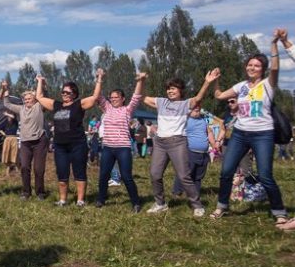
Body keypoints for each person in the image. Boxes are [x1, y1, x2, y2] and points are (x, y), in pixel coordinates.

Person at [211, 28, 292, 230]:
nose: (252, 68)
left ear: (262, 69)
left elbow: (275, 67)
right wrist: (216, 80)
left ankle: (279, 212)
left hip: (263, 134)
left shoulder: (268, 84)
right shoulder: (241, 86)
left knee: (265, 175)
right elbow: (219, 95)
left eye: (256, 65)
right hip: (239, 133)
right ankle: (222, 206)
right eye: (250, 65)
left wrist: (274, 44)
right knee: (226, 171)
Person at [141, 70, 218, 216]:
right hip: (160, 143)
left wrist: (207, 82)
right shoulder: (161, 102)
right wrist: (142, 81)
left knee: (183, 176)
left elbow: (198, 98)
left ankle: (197, 205)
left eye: (173, 88)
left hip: (178, 142)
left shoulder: (185, 104)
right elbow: (142, 98)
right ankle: (160, 203)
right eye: (168, 88)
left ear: (180, 91)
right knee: (155, 174)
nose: (170, 91)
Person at [36, 69, 103, 206]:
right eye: (63, 92)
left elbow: (95, 97)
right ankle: (62, 200)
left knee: (79, 172)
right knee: (62, 174)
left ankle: (80, 200)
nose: (64, 94)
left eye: (68, 92)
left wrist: (99, 78)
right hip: (60, 146)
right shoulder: (57, 105)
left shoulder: (79, 104)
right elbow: (39, 97)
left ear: (74, 94)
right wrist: (40, 82)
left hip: (77, 144)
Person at [94, 73, 146, 211]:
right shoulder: (107, 108)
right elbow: (98, 96)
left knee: (126, 176)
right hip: (108, 148)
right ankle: (101, 199)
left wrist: (140, 81)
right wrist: (99, 78)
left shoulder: (128, 110)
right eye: (111, 97)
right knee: (104, 175)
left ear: (123, 99)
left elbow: (136, 97)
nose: (113, 99)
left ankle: (135, 202)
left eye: (116, 97)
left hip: (123, 148)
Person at [0, 81, 48, 200]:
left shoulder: (39, 106)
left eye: (29, 98)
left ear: (35, 99)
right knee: (25, 167)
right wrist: (5, 89)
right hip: (25, 143)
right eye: (25, 99)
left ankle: (40, 192)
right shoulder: (21, 109)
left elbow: (42, 96)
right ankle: (26, 192)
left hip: (39, 141)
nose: (27, 101)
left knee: (38, 168)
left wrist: (41, 83)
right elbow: (7, 104)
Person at [171, 103, 219, 198]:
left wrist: (214, 144)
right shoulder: (185, 120)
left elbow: (209, 132)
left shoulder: (203, 120)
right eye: (194, 107)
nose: (197, 108)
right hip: (190, 152)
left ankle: (194, 194)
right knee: (185, 174)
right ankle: (177, 192)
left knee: (198, 176)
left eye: (198, 107)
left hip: (203, 154)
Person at [0, 110, 19, 177]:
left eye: (10, 116)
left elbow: (13, 117)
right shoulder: (5, 123)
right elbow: (0, 129)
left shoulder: (15, 122)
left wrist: (7, 114)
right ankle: (8, 170)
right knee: (6, 153)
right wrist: (4, 134)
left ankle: (16, 170)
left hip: (14, 138)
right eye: (8, 116)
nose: (9, 117)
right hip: (7, 139)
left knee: (14, 153)